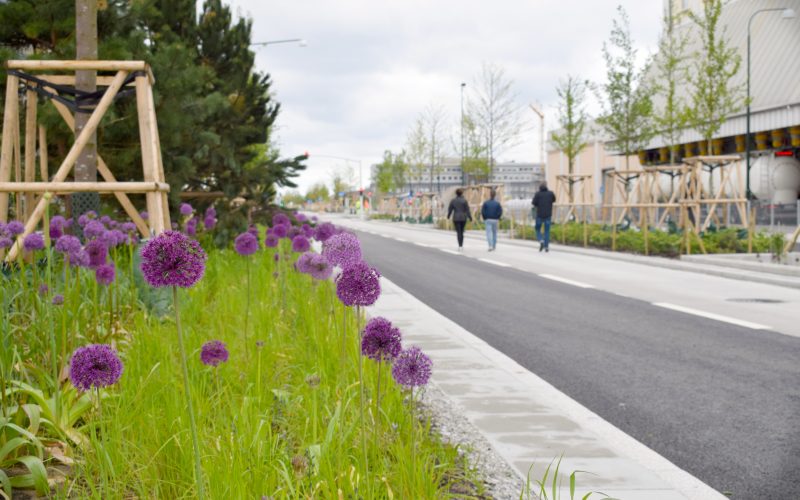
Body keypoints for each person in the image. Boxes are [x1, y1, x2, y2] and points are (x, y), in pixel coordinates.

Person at [532, 181, 556, 252]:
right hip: (548, 214)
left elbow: (533, 203)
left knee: (537, 229)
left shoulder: (537, 194)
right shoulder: (550, 193)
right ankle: (546, 247)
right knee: (547, 231)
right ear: (546, 186)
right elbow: (554, 200)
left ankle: (541, 240)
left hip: (539, 215)